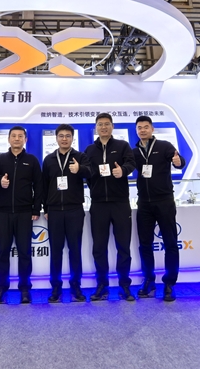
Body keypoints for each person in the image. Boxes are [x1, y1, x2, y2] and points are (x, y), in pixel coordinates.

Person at [84, 113, 136, 301]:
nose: (104, 127)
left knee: (123, 246)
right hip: (98, 205)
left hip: (120, 203)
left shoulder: (122, 146)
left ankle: (125, 285)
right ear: (96, 128)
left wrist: (123, 170)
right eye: (100, 124)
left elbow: (131, 163)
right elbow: (87, 173)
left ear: (112, 126)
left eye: (107, 124)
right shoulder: (89, 150)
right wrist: (95, 189)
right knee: (99, 247)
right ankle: (102, 285)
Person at [133, 115, 186, 302]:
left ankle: (169, 283)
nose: (142, 130)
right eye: (139, 127)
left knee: (170, 243)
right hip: (144, 203)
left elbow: (179, 160)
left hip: (164, 201)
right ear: (136, 130)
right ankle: (149, 280)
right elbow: (126, 166)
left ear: (152, 129)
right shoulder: (135, 151)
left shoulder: (164, 146)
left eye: (146, 127)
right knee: (145, 245)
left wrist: (179, 162)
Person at [0, 126, 42, 304]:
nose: (17, 139)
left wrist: (36, 209)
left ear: (25, 139)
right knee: (2, 252)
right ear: (9, 139)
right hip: (3, 212)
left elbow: (39, 186)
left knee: (24, 252)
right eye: (14, 136)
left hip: (24, 213)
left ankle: (25, 288)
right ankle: (1, 287)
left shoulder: (32, 160)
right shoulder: (0, 159)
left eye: (20, 136)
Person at [42, 124, 91, 303]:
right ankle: (55, 287)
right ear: (56, 138)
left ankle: (76, 285)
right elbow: (44, 185)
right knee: (55, 251)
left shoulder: (80, 157)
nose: (64, 139)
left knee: (74, 250)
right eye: (61, 136)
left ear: (72, 138)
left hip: (74, 210)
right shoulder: (49, 159)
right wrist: (46, 208)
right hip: (54, 211)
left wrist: (80, 169)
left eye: (68, 136)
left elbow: (90, 173)